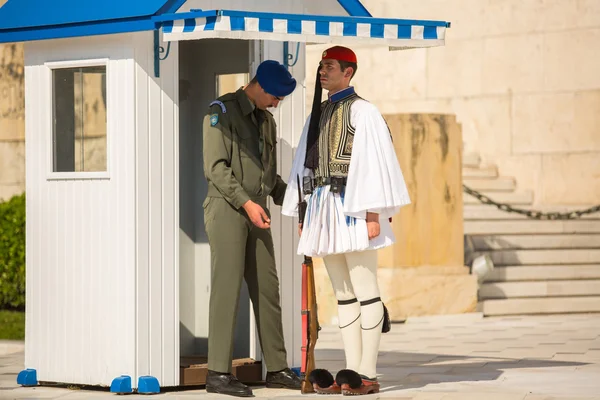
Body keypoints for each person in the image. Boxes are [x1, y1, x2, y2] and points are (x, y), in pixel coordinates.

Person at [281, 46, 411, 395]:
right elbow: (303, 166)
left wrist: (373, 214)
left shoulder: (364, 111)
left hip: (355, 207)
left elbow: (375, 165)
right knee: (343, 294)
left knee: (367, 291)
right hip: (324, 209)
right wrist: (302, 211)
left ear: (348, 72)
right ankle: (350, 372)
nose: (323, 72)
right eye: (322, 66)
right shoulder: (319, 113)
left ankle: (366, 371)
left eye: (330, 67)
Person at [202, 60, 302, 397]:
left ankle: (277, 368)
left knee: (267, 289)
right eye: (276, 96)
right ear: (259, 86)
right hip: (228, 209)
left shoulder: (266, 122)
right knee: (227, 289)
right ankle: (217, 374)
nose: (278, 103)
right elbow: (216, 169)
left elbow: (268, 176)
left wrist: (299, 201)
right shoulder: (221, 113)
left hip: (256, 209)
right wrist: (247, 203)